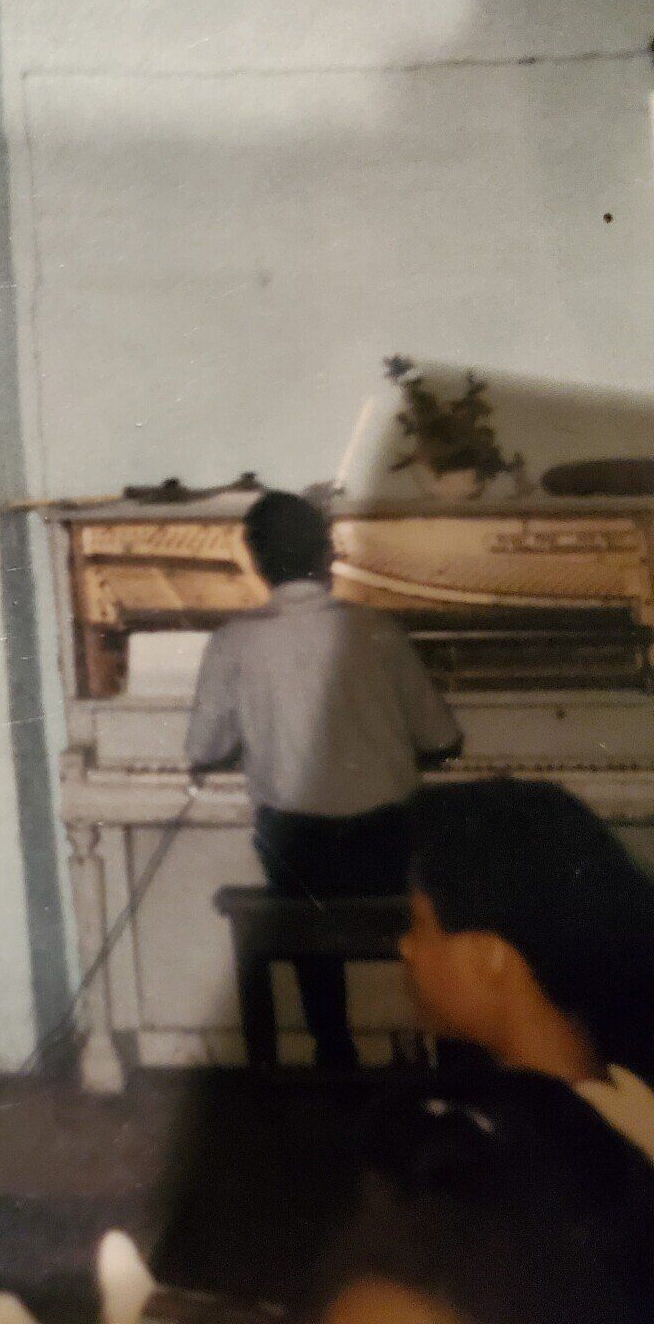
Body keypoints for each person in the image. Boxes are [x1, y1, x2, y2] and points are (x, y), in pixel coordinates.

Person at [309, 779, 654, 1323]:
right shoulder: (627, 1099)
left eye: (422, 926)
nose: (405, 946)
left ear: (493, 956)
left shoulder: (479, 1144)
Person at [186, 490, 462, 1069]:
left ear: (258, 564)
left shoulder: (234, 640)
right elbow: (443, 739)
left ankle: (333, 1049)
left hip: (299, 848)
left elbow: (204, 749)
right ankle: (437, 1047)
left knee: (298, 879)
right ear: (327, 554)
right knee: (431, 864)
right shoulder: (379, 630)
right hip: (386, 843)